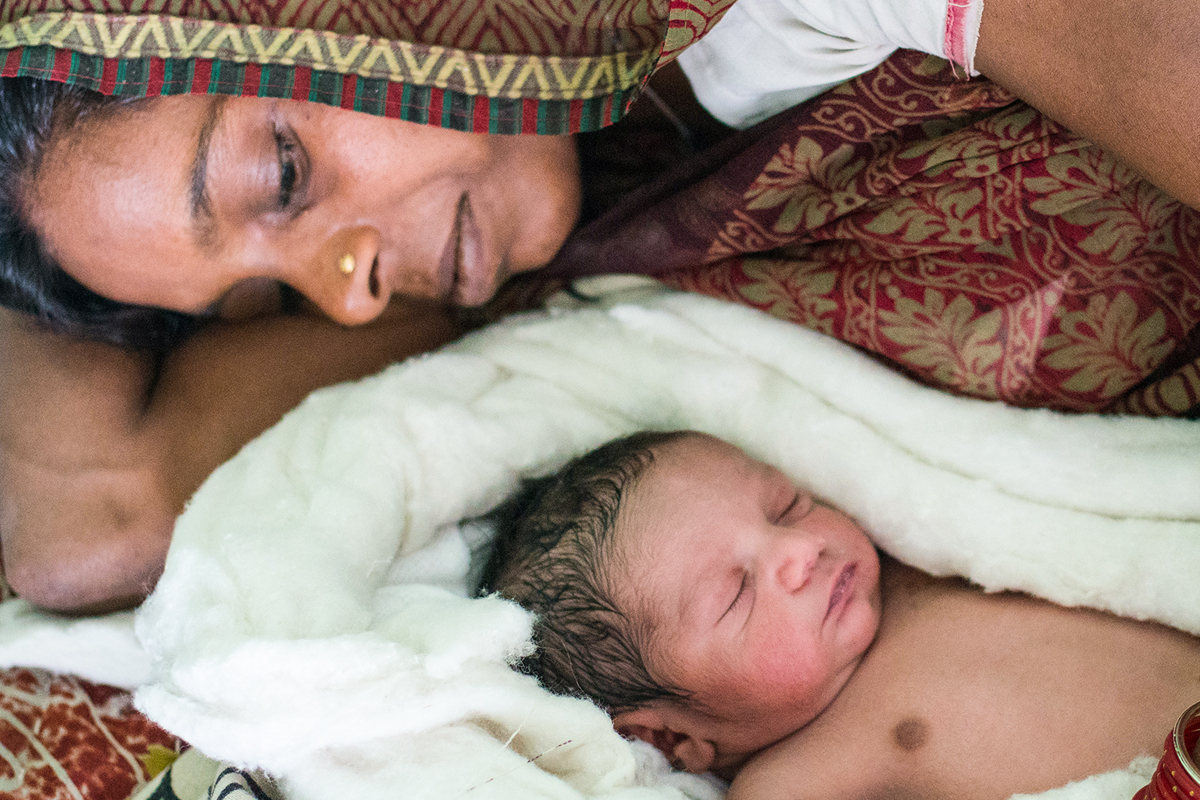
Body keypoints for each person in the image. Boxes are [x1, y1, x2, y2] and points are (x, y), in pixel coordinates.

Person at [2, 0, 1200, 613]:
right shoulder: (574, 193)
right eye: (262, 293)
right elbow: (91, 515)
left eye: (284, 179)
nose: (348, 295)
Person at [481, 430, 1200, 799]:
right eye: (736, 592)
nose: (799, 549)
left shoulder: (924, 562)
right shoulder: (797, 778)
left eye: (788, 506)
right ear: (672, 736)